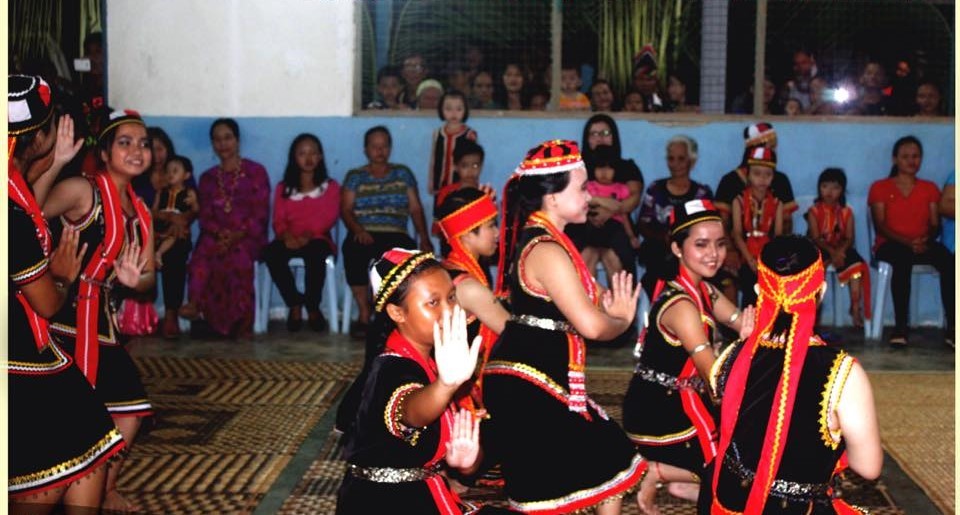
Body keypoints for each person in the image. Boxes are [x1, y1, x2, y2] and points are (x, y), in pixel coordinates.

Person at [482, 140, 647, 514]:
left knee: (612, 460)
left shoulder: (556, 242)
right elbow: (590, 324)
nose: (591, 195)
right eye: (582, 187)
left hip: (541, 378)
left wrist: (611, 304)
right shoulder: (546, 250)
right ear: (553, 198)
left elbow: (593, 296)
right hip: (527, 384)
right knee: (556, 489)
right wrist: (620, 320)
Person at [8, 73, 125, 513]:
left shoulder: (15, 197)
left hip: (31, 353)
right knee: (50, 478)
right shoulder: (11, 216)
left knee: (90, 451)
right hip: (19, 358)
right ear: (39, 136)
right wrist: (61, 275)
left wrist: (53, 163)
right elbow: (47, 302)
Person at [705, 235, 883, 513]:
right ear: (821, 290)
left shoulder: (732, 357)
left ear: (758, 289)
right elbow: (869, 467)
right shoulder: (843, 372)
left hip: (726, 502)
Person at [44, 108, 157, 513]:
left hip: (102, 324)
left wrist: (134, 281)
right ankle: (61, 489)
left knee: (128, 412)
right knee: (75, 412)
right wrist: (56, 162)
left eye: (143, 144)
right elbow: (24, 217)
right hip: (57, 317)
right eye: (124, 142)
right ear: (105, 153)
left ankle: (103, 487)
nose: (136, 150)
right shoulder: (82, 190)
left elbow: (148, 278)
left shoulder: (143, 211)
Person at [622, 199, 754, 514]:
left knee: (748, 456)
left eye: (720, 244)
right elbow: (715, 378)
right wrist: (746, 350)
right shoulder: (682, 306)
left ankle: (682, 481)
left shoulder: (704, 290)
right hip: (660, 411)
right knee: (744, 466)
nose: (714, 253)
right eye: (701, 244)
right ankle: (655, 471)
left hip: (683, 399)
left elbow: (741, 322)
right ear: (678, 248)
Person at [335, 249, 483, 514]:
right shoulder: (391, 368)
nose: (449, 310)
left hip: (415, 496)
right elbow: (411, 411)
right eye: (433, 303)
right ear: (396, 312)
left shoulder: (434, 361)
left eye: (451, 297)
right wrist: (445, 386)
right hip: (381, 504)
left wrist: (467, 461)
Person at [180, 118, 271, 339]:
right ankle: (197, 307)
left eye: (228, 138)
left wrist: (236, 235)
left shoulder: (256, 171)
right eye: (217, 140)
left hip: (248, 236)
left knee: (237, 257)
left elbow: (260, 213)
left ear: (238, 140)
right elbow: (205, 216)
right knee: (203, 255)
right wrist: (220, 234)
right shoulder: (208, 178)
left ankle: (241, 320)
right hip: (215, 235)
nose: (223, 144)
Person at [341, 126, 434, 341]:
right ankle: (365, 314)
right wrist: (358, 230)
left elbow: (416, 208)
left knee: (406, 260)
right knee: (353, 251)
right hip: (364, 232)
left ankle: (393, 319)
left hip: (395, 233)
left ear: (390, 148)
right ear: (366, 149)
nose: (379, 151)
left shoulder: (403, 173)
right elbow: (345, 210)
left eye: (384, 146)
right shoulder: (355, 176)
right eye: (374, 146)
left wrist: (424, 238)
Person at [868, 135, 954, 346]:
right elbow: (881, 226)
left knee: (949, 261)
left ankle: (953, 327)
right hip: (889, 244)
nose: (911, 161)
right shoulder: (880, 187)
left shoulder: (929, 188)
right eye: (905, 156)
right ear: (895, 159)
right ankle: (900, 328)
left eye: (916, 156)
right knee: (902, 259)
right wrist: (908, 242)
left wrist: (926, 239)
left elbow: (935, 224)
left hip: (921, 243)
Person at [436, 188, 511, 409]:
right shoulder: (468, 287)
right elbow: (513, 334)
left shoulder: (446, 268)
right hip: (457, 392)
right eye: (491, 226)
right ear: (468, 233)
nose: (497, 233)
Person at [263, 133, 341, 333]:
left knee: (315, 254)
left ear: (321, 156)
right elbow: (278, 220)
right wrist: (286, 235)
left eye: (313, 153)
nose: (308, 158)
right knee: (271, 254)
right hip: (289, 239)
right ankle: (294, 303)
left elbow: (329, 217)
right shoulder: (283, 188)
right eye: (302, 154)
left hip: (317, 238)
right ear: (294, 158)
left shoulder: (330, 187)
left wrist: (307, 235)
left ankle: (313, 306)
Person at [566, 114, 644, 279]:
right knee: (585, 256)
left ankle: (625, 302)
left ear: (614, 137)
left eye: (605, 133)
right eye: (594, 134)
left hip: (618, 227)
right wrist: (596, 207)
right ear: (586, 139)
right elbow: (569, 197)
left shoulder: (627, 167)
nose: (600, 138)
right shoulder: (576, 167)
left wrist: (612, 212)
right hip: (582, 225)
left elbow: (634, 198)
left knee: (615, 259)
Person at [636, 135, 714, 298]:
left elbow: (708, 227)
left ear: (691, 161)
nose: (675, 164)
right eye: (671, 159)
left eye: (681, 159)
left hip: (691, 249)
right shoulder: (655, 188)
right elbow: (643, 223)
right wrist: (663, 236)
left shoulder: (702, 193)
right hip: (659, 248)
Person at [805, 168, 871, 328]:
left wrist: (840, 251)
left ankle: (855, 307)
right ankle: (815, 314)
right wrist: (833, 253)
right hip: (820, 248)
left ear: (842, 190)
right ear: (819, 188)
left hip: (842, 248)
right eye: (825, 186)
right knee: (816, 270)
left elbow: (849, 238)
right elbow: (815, 237)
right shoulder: (813, 211)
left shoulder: (847, 212)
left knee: (857, 267)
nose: (829, 191)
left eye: (835, 187)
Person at [152, 155, 198, 339]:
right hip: (157, 231)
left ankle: (171, 313)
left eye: (175, 171)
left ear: (186, 175)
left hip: (177, 234)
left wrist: (190, 209)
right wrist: (165, 217)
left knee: (176, 253)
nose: (170, 174)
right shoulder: (161, 192)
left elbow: (195, 212)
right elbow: (152, 212)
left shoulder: (188, 192)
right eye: (168, 171)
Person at [731, 146, 783, 308]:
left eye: (768, 174)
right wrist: (750, 259)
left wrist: (767, 259)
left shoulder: (777, 203)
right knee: (749, 286)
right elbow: (737, 234)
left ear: (773, 177)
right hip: (746, 253)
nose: (762, 179)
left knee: (772, 287)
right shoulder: (738, 201)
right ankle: (748, 328)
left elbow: (778, 235)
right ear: (748, 175)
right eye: (757, 174)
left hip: (769, 253)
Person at [581, 145, 641, 282]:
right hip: (591, 227)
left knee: (625, 254)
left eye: (609, 168)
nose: (604, 172)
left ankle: (630, 287)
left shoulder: (621, 189)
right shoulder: (590, 186)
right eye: (600, 168)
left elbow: (624, 215)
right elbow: (584, 206)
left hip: (615, 228)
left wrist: (631, 236)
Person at [428, 90, 478, 196]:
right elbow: (434, 160)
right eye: (448, 109)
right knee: (441, 211)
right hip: (440, 187)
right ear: (441, 110)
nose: (454, 113)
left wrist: (472, 184)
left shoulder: (469, 134)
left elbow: (474, 162)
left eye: (459, 109)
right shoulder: (437, 134)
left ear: (465, 110)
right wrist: (431, 183)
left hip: (461, 187)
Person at [631, 45, 664, 112]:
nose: (645, 84)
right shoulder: (626, 101)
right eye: (641, 79)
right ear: (634, 81)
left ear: (656, 81)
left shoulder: (664, 102)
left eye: (649, 80)